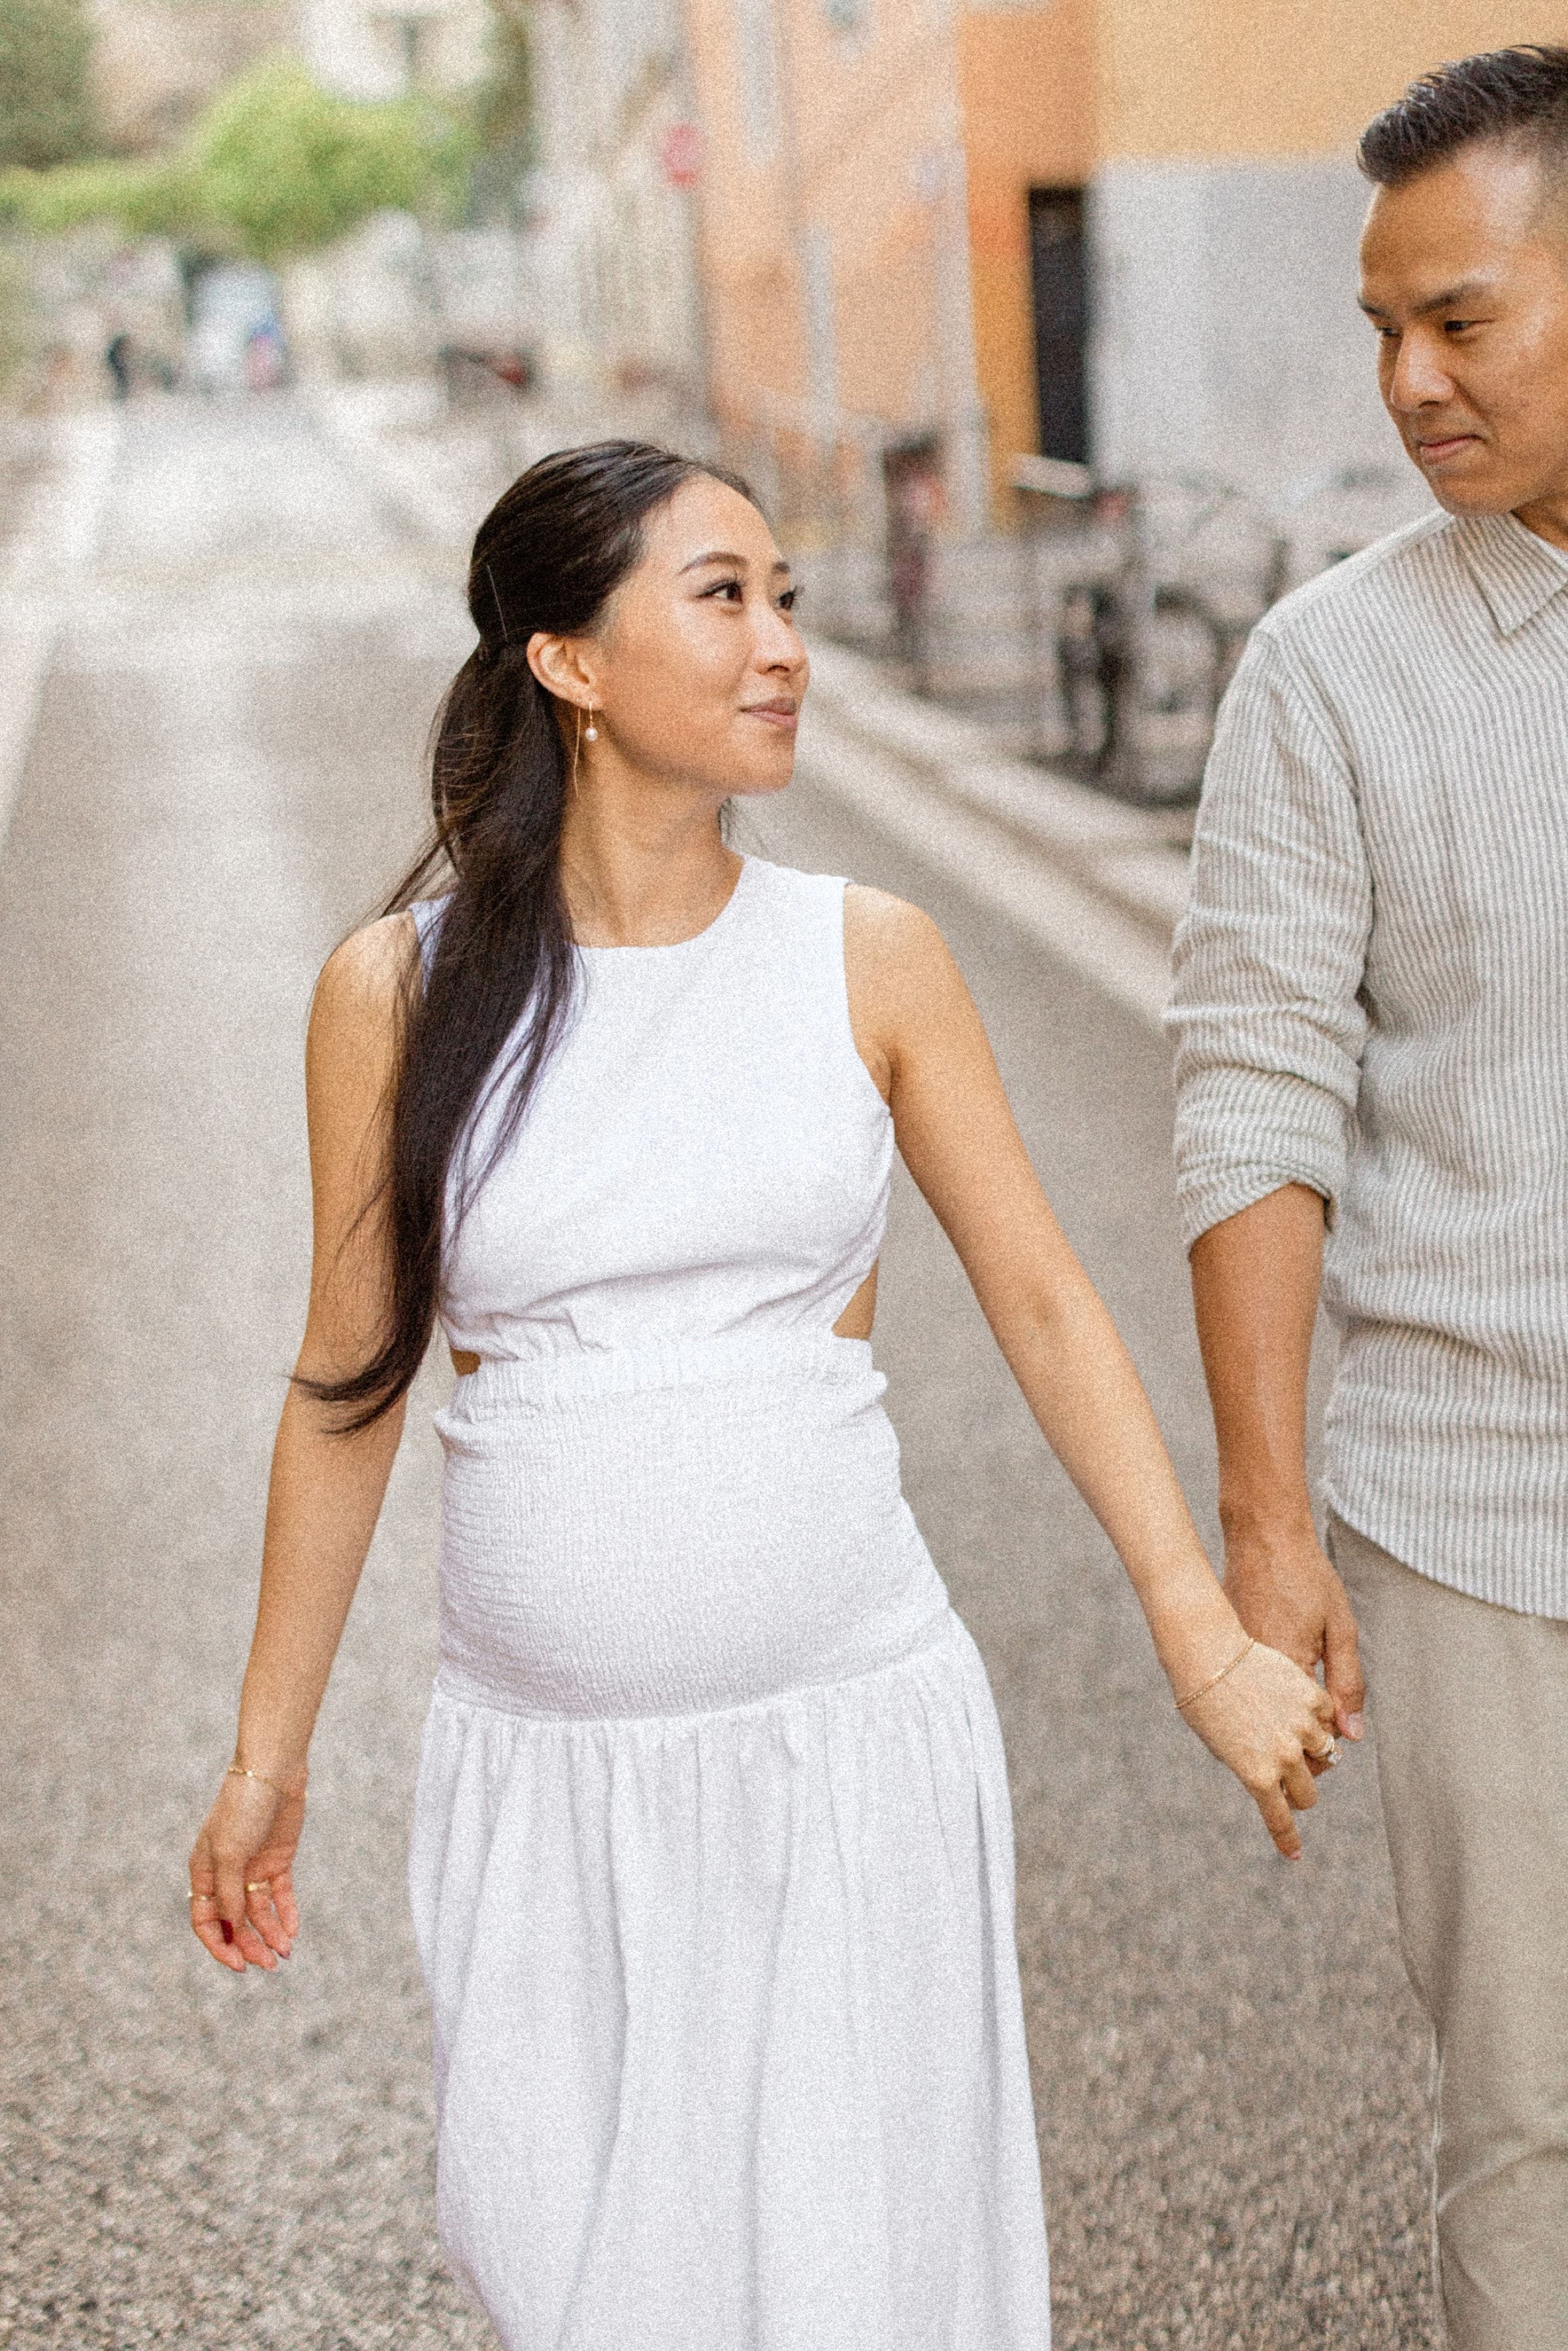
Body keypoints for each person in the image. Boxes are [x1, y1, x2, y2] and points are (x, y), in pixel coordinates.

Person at [188, 441, 1333, 2350]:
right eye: (722, 596)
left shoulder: (865, 958)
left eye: (786, 597)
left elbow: (1047, 1304)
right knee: (587, 2287)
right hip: (548, 1789)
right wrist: (267, 1753)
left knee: (867, 2286)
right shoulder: (395, 991)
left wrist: (1198, 1628)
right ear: (567, 656)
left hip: (849, 1757)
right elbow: (345, 1389)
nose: (782, 642)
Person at [1168, 46, 1568, 2351]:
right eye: (1378, 333)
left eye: (1466, 320)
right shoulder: (1328, 672)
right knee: (1533, 2119)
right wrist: (1269, 1521)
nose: (1409, 382)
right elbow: (1253, 1092)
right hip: (1481, 1510)